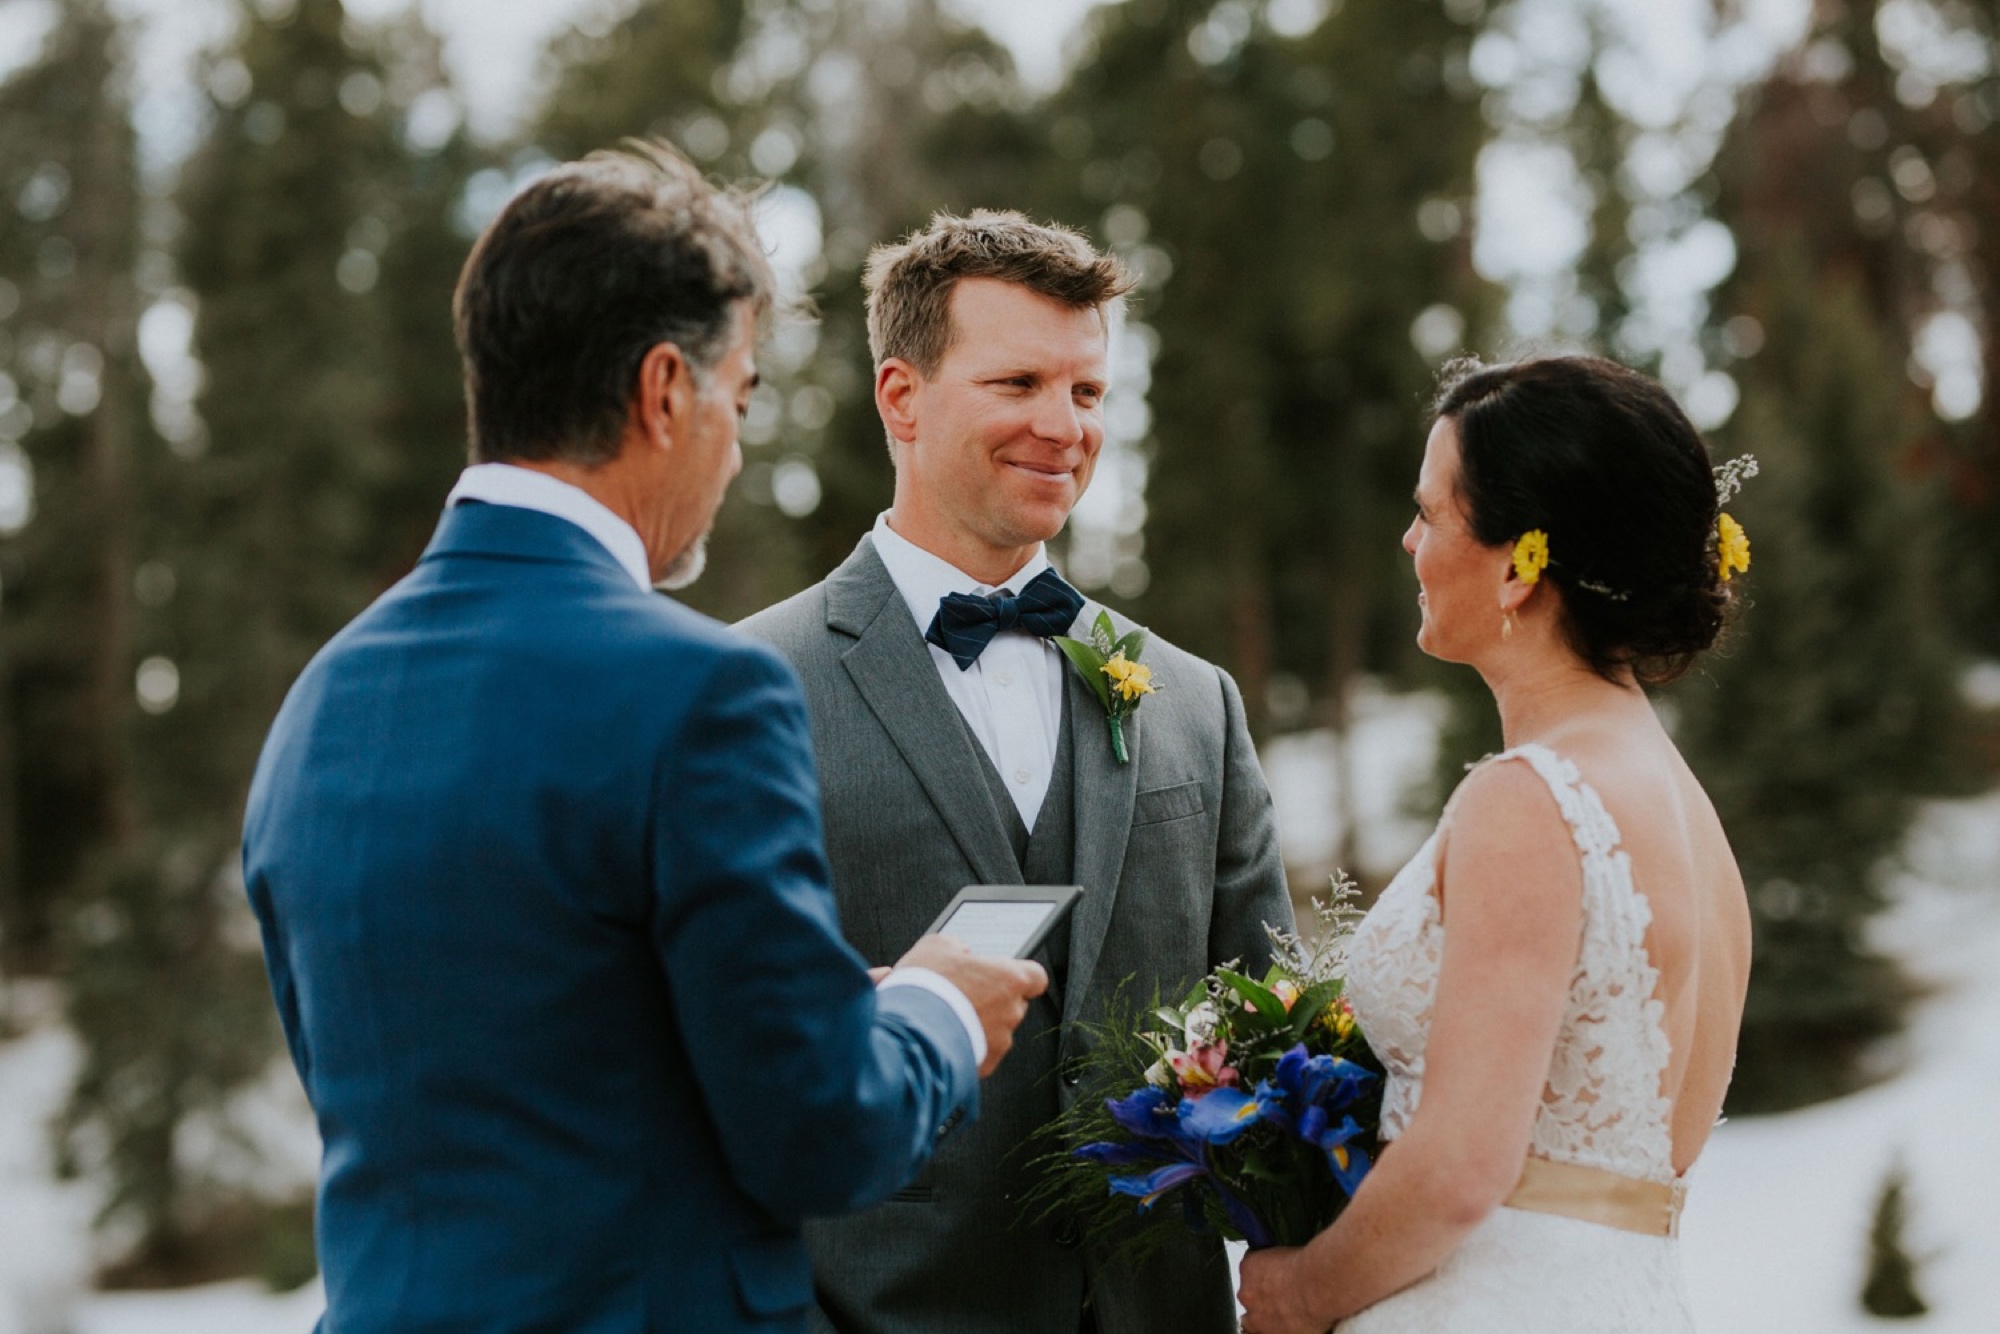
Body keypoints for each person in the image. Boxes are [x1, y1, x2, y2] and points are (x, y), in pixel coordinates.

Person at [241, 142, 1048, 1334]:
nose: (734, 444)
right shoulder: (697, 692)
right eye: (741, 393)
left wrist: (823, 1010)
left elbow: (496, 1065)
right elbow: (818, 1132)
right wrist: (929, 1010)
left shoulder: (318, 701)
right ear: (666, 390)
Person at [739, 211, 1294, 1334]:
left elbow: (1269, 1034)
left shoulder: (1191, 698)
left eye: (1086, 393)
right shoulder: (744, 689)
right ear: (900, 397)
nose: (1061, 426)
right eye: (1017, 383)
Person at [1236, 354, 1754, 1333]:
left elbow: (1461, 1166)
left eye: (1428, 513)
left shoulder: (1530, 801)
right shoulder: (1686, 812)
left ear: (1519, 563)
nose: (1407, 540)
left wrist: (1298, 1293)